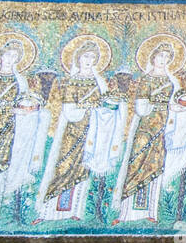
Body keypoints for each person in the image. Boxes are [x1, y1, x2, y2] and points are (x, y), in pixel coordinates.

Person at [113, 42, 186, 223]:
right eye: (160, 55)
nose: (163, 60)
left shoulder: (173, 81)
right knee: (136, 165)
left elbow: (179, 101)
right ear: (152, 57)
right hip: (145, 130)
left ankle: (150, 212)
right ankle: (127, 212)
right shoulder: (146, 79)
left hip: (165, 131)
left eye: (167, 57)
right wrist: (166, 105)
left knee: (157, 168)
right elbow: (141, 108)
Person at [36, 41, 127, 222]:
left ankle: (75, 211)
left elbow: (107, 100)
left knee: (85, 170)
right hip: (72, 132)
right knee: (64, 167)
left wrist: (99, 81)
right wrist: (90, 109)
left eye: (93, 57)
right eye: (86, 56)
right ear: (78, 58)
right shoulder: (72, 80)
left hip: (94, 132)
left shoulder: (98, 81)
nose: (89, 60)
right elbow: (69, 110)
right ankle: (50, 211)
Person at [0, 36, 47, 221]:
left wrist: (30, 107)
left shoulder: (20, 81)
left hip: (11, 131)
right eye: (8, 56)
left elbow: (24, 101)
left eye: (14, 57)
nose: (10, 60)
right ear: (0, 57)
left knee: (2, 167)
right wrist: (8, 108)